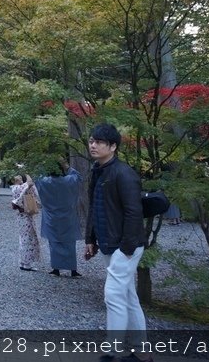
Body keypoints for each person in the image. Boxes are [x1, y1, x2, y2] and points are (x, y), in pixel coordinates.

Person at [83, 123, 150, 362]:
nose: (93, 145)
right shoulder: (98, 171)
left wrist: (127, 248)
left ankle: (114, 352)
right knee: (128, 296)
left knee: (112, 294)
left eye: (99, 142)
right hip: (110, 243)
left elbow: (134, 212)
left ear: (113, 146)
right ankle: (142, 353)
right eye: (92, 141)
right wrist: (90, 239)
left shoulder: (124, 173)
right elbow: (95, 207)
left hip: (126, 245)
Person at [36, 158, 83, 278]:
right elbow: (78, 176)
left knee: (54, 243)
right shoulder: (69, 181)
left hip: (52, 218)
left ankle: (56, 269)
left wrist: (42, 164)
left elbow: (36, 176)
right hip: (68, 218)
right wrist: (67, 166)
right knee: (69, 244)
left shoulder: (45, 182)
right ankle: (73, 270)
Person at [11, 174, 42, 271]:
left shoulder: (14, 188)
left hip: (20, 216)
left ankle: (22, 261)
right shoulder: (25, 187)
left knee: (23, 238)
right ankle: (27, 263)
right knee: (28, 239)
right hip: (26, 215)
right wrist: (28, 177)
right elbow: (33, 188)